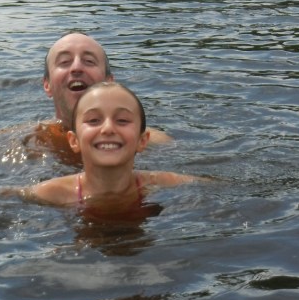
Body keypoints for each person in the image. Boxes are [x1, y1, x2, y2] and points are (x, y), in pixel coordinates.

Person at [18, 82, 198, 211]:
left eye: (122, 120)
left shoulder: (167, 183)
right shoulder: (50, 193)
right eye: (94, 120)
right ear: (74, 141)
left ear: (142, 141)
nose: (108, 128)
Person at [27, 31, 171, 163]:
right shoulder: (26, 141)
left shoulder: (155, 143)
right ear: (47, 85)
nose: (76, 67)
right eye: (64, 62)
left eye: (89, 61)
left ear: (109, 82)